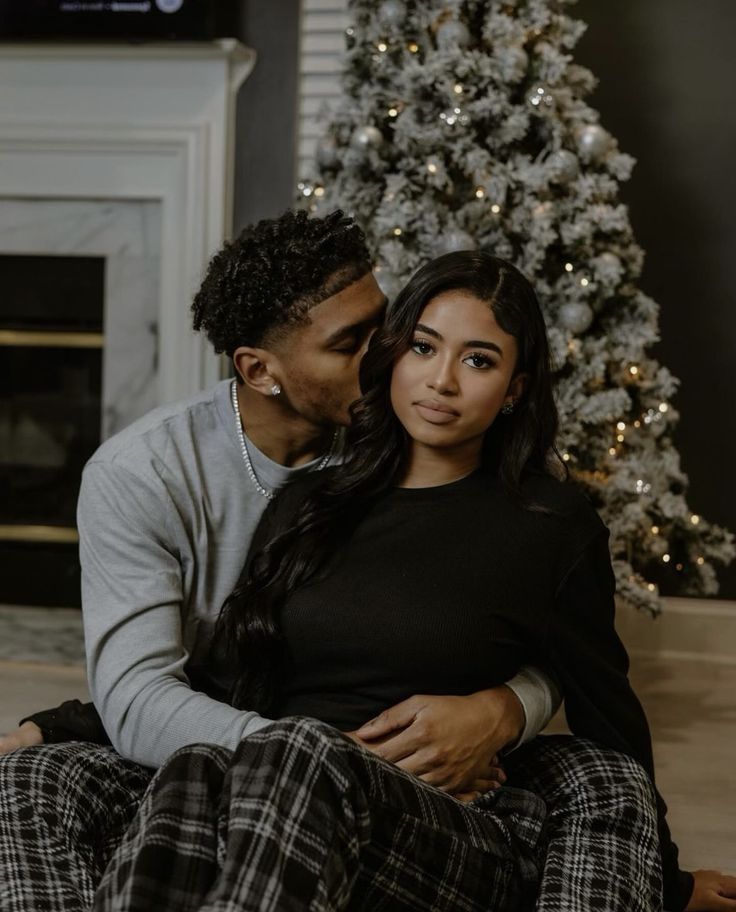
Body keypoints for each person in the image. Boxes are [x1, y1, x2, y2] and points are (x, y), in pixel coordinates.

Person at [89, 251, 732, 911]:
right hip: (277, 819)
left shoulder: (550, 524)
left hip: (444, 828)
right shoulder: (309, 502)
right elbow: (227, 668)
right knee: (181, 774)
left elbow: (608, 716)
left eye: (478, 360)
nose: (442, 381)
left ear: (514, 389)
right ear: (394, 355)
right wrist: (69, 722)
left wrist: (670, 882)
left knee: (298, 753)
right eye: (424, 347)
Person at [0, 211, 555, 911]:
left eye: (385, 326)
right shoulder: (142, 474)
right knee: (24, 783)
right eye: (350, 344)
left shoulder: (418, 440)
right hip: (228, 745)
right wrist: (314, 754)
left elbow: (550, 612)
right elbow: (142, 700)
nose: (389, 356)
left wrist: (505, 707)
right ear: (259, 370)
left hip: (370, 777)